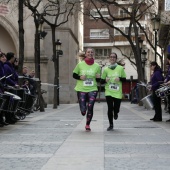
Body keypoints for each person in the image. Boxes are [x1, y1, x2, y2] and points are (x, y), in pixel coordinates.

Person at [73, 48, 101, 131]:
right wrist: (80, 77)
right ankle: (82, 110)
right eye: (88, 52)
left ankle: (87, 124)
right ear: (85, 54)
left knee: (90, 106)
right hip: (81, 89)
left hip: (92, 89)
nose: (90, 53)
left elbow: (98, 80)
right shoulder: (80, 65)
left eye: (92, 52)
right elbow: (74, 75)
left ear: (93, 54)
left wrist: (98, 78)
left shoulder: (97, 66)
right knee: (83, 109)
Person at [101, 52, 126, 131]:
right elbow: (101, 81)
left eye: (114, 57)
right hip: (108, 91)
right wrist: (105, 80)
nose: (112, 58)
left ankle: (116, 113)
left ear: (116, 59)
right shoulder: (106, 69)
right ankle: (111, 124)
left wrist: (120, 79)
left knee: (116, 108)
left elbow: (124, 79)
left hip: (117, 91)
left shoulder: (120, 68)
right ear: (109, 58)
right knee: (110, 108)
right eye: (111, 57)